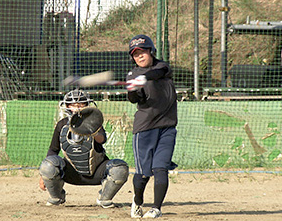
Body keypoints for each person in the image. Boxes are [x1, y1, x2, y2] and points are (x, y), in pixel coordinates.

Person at [38, 89, 129, 208]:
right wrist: (43, 176)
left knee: (119, 168)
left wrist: (92, 130)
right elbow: (53, 150)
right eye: (73, 105)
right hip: (72, 173)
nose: (77, 108)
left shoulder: (94, 124)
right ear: (67, 106)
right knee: (48, 165)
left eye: (81, 105)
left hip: (96, 172)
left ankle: (105, 199)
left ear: (87, 106)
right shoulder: (62, 124)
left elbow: (102, 139)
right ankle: (56, 197)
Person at [126, 34, 178, 218]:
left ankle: (156, 208)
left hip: (167, 127)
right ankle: (137, 201)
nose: (139, 56)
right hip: (145, 129)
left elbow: (157, 74)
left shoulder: (162, 67)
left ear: (151, 51)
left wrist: (144, 78)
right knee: (143, 174)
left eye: (143, 52)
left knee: (160, 168)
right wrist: (133, 90)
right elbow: (135, 100)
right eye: (135, 54)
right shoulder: (132, 75)